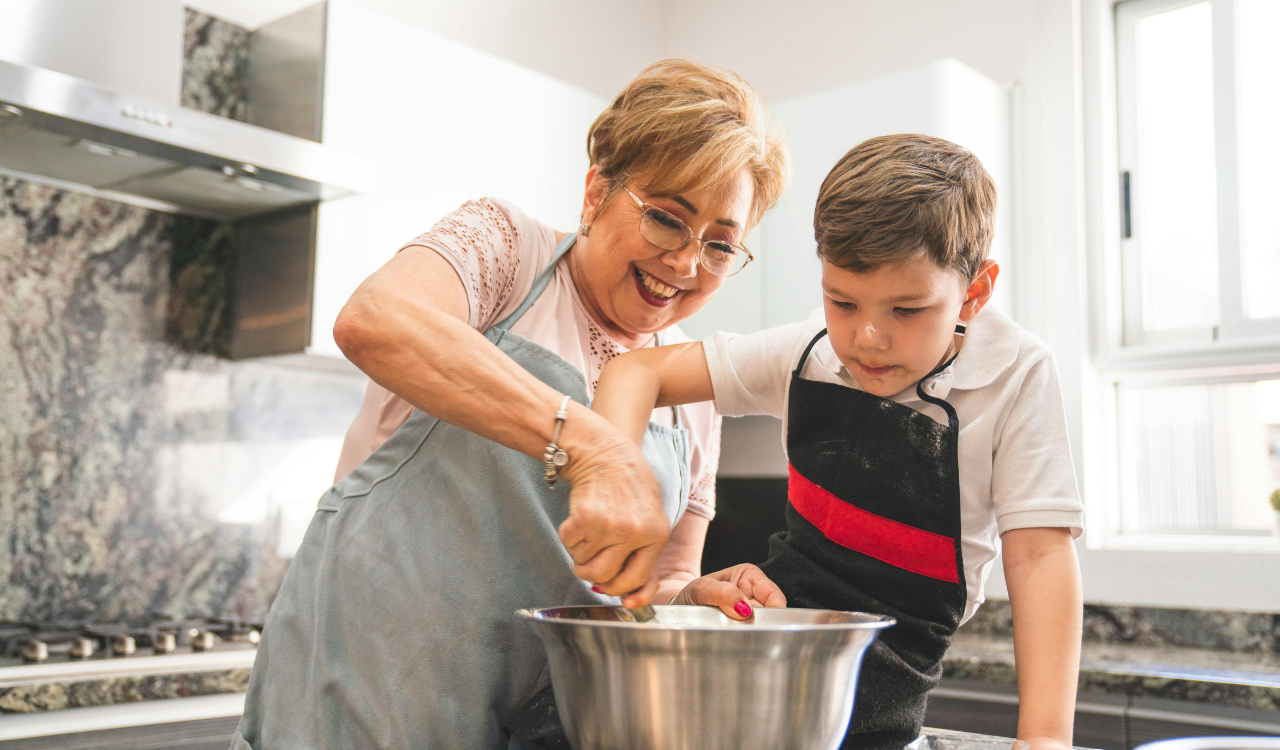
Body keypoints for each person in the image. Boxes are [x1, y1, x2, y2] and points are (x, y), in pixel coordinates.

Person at [230, 59, 789, 750]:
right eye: (667, 219)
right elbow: (375, 319)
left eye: (721, 245)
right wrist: (591, 444)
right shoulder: (505, 250)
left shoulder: (689, 394)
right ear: (596, 193)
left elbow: (659, 580)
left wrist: (696, 597)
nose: (684, 263)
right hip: (358, 710)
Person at [590, 134, 1085, 750]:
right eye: (842, 301)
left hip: (893, 669)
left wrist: (1043, 739)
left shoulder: (1016, 375)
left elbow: (1040, 558)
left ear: (975, 293)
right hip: (777, 638)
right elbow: (637, 371)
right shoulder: (809, 352)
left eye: (907, 310)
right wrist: (611, 474)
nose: (868, 338)